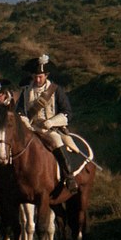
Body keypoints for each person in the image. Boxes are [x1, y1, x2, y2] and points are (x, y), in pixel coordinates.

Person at [15, 54, 79, 192]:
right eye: (35, 76)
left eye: (40, 76)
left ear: (46, 75)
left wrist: (52, 122)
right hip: (30, 128)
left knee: (57, 141)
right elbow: (19, 110)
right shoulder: (26, 91)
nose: (38, 79)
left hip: (49, 129)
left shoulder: (56, 90)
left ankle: (69, 177)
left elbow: (67, 112)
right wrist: (24, 120)